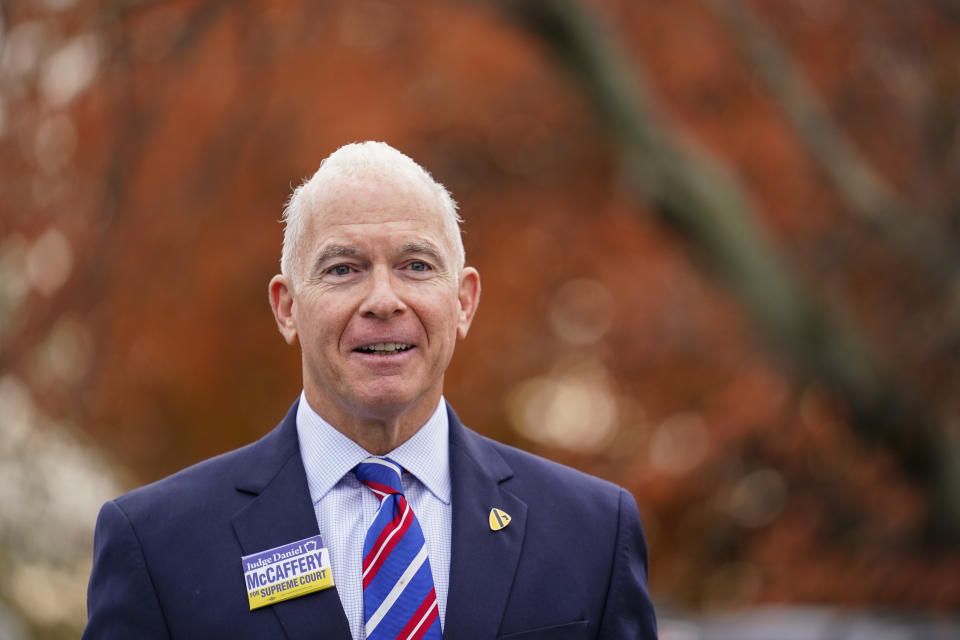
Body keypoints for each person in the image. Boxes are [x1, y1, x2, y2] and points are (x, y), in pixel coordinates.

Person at [83, 141, 658, 639]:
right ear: (287, 308)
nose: (384, 299)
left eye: (415, 265)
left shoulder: (591, 534)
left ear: (463, 302)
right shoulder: (158, 547)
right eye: (343, 269)